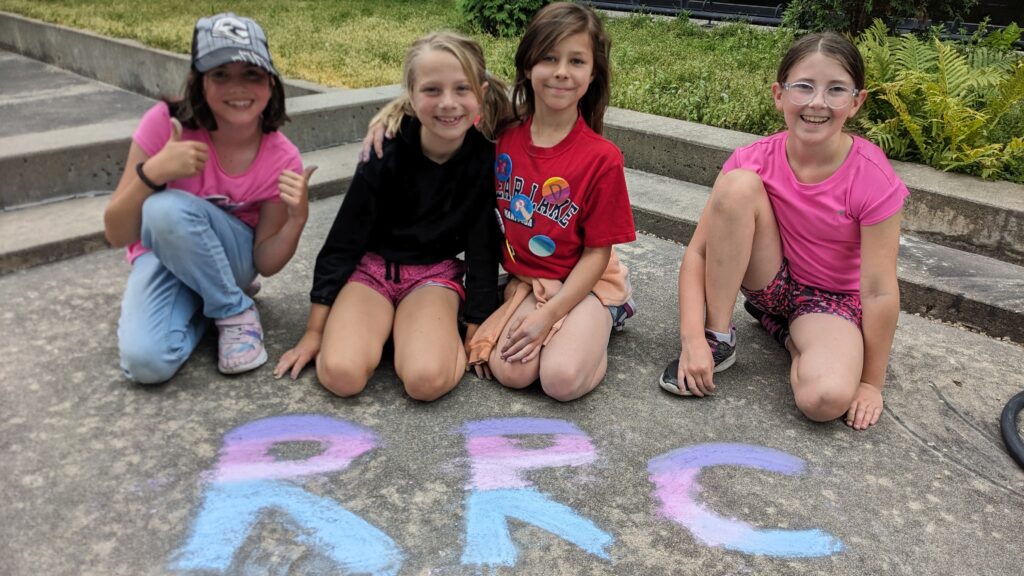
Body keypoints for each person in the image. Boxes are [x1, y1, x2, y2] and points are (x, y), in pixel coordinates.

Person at [366, 3, 637, 401]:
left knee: (560, 381)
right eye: (549, 57)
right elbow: (454, 97)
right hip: (528, 281)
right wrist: (389, 116)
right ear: (527, 64)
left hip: (589, 282)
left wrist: (550, 315)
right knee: (509, 371)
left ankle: (609, 317)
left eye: (576, 60)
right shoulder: (503, 134)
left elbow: (597, 254)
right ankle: (562, 326)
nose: (561, 71)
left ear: (592, 73)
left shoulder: (602, 157)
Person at [658, 32, 908, 431]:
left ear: (856, 102)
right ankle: (718, 338)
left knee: (823, 400)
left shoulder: (872, 176)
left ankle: (788, 336)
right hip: (771, 282)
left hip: (831, 301)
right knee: (738, 186)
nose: (817, 102)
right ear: (779, 94)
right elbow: (700, 253)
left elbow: (879, 289)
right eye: (804, 87)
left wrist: (870, 382)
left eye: (836, 89)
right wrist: (691, 339)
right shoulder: (752, 159)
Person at [273, 31, 511, 402]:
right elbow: (343, 240)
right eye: (432, 90)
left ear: (480, 92)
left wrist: (476, 326)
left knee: (426, 381)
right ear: (412, 97)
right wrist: (314, 331)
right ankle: (385, 329)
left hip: (433, 277)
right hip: (370, 272)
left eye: (461, 89)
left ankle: (409, 330)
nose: (448, 103)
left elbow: (483, 249)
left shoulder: (486, 160)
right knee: (341, 375)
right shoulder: (385, 150)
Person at [104, 13, 312, 383]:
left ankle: (233, 312)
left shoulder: (282, 156)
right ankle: (219, 303)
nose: (238, 87)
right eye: (220, 74)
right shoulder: (165, 125)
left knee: (165, 208)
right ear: (198, 82)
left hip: (235, 260)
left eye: (251, 73)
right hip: (163, 256)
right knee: (146, 364)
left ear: (270, 82)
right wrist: (153, 173)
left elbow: (264, 260)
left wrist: (296, 220)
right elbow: (117, 233)